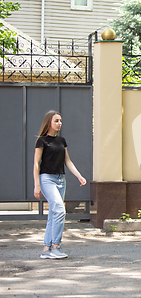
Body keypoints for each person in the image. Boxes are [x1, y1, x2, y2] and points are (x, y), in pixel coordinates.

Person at [34, 111, 87, 259]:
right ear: (48, 122)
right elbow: (36, 163)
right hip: (47, 179)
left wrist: (79, 176)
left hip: (60, 180)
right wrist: (36, 185)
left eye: (61, 121)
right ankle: (56, 246)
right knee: (59, 209)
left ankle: (46, 248)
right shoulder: (42, 141)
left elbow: (67, 161)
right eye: (56, 121)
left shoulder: (62, 141)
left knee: (53, 214)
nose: (59, 123)